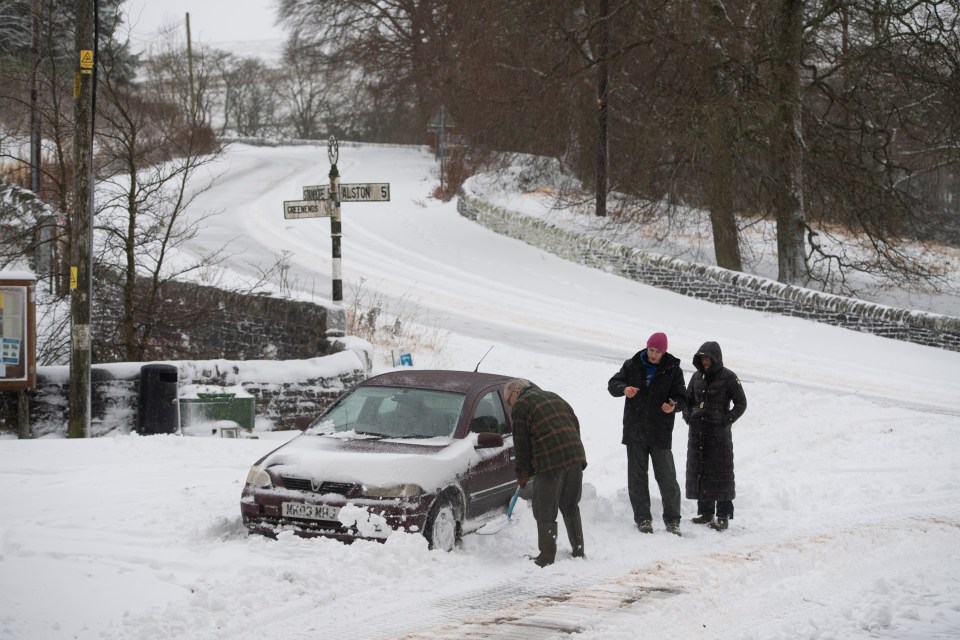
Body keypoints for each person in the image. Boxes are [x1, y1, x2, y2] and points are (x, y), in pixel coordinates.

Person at [607, 332, 687, 536]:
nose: (653, 355)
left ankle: (673, 520)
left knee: (667, 477)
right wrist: (624, 389)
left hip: (660, 432)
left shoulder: (673, 369)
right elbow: (612, 384)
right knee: (637, 478)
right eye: (651, 350)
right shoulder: (632, 364)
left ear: (664, 351)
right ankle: (643, 518)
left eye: (657, 352)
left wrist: (674, 406)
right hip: (635, 431)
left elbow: (682, 397)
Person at [505, 378, 587, 567]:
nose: (510, 407)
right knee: (570, 504)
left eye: (508, 401)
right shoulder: (553, 396)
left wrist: (523, 473)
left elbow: (521, 444)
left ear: (516, 393)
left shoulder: (521, 405)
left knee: (544, 508)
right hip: (575, 454)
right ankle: (578, 549)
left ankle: (546, 557)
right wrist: (572, 452)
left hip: (550, 461)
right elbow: (574, 423)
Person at [682, 341, 747, 532]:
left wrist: (725, 420)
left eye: (708, 358)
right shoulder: (696, 376)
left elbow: (741, 403)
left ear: (716, 359)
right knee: (701, 472)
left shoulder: (729, 377)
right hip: (698, 433)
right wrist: (688, 416)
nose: (705, 361)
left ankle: (723, 516)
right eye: (703, 358)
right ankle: (706, 513)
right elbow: (687, 400)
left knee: (721, 474)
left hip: (719, 435)